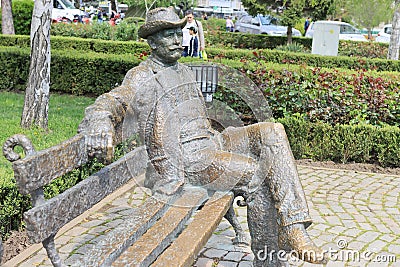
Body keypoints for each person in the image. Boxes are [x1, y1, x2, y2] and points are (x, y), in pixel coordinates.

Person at [78, 7, 326, 266]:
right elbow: (114, 100)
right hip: (189, 158)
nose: (177, 40)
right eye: (168, 35)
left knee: (272, 132)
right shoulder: (142, 76)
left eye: (179, 33)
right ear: (151, 42)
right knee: (255, 174)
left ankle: (293, 226)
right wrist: (98, 122)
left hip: (211, 141)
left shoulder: (182, 71)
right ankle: (270, 262)